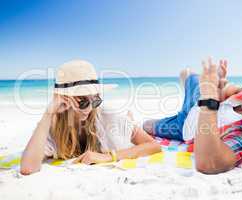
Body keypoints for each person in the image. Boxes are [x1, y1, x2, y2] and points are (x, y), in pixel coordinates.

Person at [143, 58, 242, 174]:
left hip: (186, 125)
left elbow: (209, 162)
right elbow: (233, 91)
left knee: (146, 125)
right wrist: (220, 85)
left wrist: (210, 97)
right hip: (203, 103)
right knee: (188, 74)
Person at [21, 60, 161, 175]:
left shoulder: (109, 117)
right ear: (65, 99)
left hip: (120, 122)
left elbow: (154, 145)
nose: (89, 108)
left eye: (95, 101)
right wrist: (48, 113)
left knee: (128, 121)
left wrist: (108, 157)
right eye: (82, 102)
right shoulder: (53, 125)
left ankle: (130, 117)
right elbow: (28, 168)